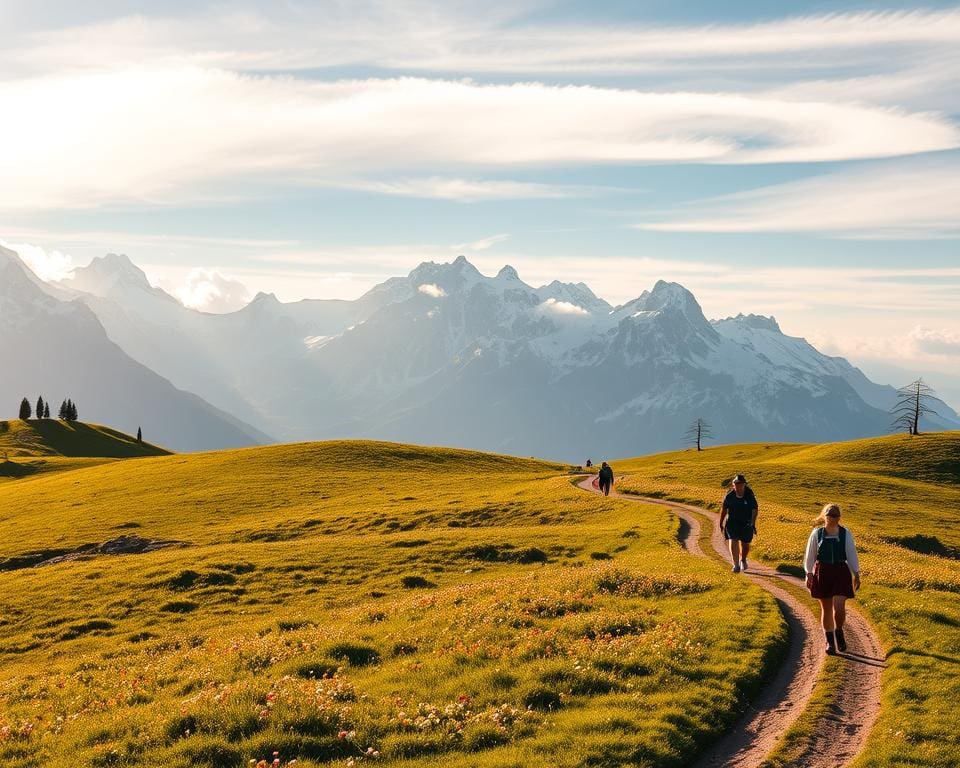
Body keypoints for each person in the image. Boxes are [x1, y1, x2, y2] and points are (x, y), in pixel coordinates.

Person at [804, 503, 860, 655]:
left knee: (839, 606)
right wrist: (809, 573)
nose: (832, 518)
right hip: (823, 571)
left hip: (841, 571)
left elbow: (851, 553)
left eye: (835, 516)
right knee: (826, 609)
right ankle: (830, 642)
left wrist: (856, 573)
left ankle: (839, 630)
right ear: (825, 516)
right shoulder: (817, 533)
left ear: (839, 517)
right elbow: (810, 555)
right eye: (829, 515)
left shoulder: (845, 533)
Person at [719, 473, 758, 573]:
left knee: (745, 544)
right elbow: (724, 509)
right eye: (736, 483)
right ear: (733, 485)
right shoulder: (729, 496)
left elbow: (754, 509)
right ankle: (735, 565)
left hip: (746, 522)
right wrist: (721, 522)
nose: (738, 485)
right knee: (733, 540)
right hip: (732, 522)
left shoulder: (749, 495)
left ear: (744, 484)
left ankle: (743, 559)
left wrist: (752, 522)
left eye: (740, 484)